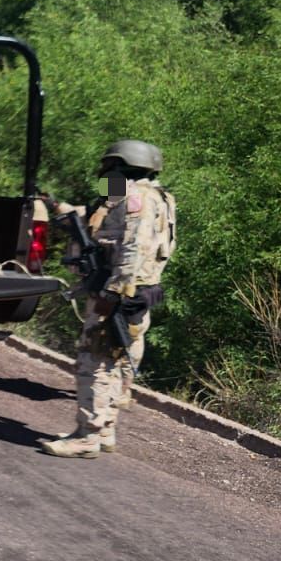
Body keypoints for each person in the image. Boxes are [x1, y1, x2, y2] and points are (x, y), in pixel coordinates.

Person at [42, 140, 174, 458]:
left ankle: (87, 437)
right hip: (143, 292)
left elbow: (133, 247)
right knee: (116, 363)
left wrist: (113, 293)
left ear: (120, 167)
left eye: (109, 168)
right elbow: (98, 218)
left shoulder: (135, 197)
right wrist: (58, 207)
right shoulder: (162, 198)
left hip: (119, 292)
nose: (104, 174)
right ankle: (104, 430)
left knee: (96, 361)